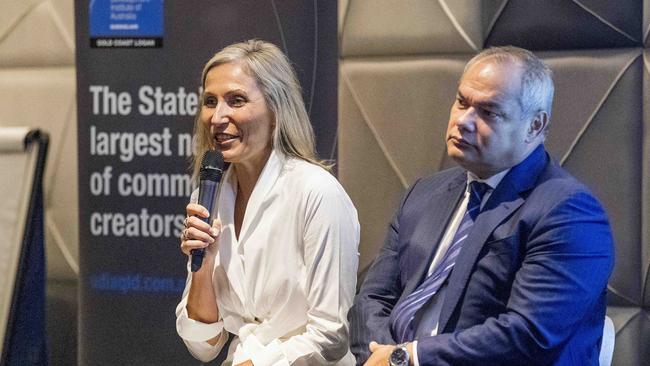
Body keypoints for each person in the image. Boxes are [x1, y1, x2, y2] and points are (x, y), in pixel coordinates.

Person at [349, 46, 614, 366]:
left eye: (488, 112)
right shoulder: (423, 194)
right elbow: (372, 300)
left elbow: (527, 334)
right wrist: (383, 356)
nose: (464, 121)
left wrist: (409, 358)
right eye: (462, 102)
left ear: (535, 126)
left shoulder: (569, 212)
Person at [176, 39, 359, 366]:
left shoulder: (317, 192)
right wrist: (202, 267)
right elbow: (203, 345)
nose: (218, 117)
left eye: (236, 100)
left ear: (276, 111)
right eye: (210, 101)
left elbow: (331, 337)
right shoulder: (209, 195)